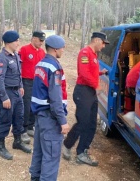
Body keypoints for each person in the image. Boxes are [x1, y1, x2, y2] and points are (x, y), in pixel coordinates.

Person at [62, 31, 109, 166]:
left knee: (92, 124)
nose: (104, 46)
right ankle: (67, 144)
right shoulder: (85, 52)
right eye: (103, 43)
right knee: (83, 122)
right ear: (96, 40)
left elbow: (91, 71)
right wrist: (97, 85)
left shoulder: (94, 54)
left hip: (91, 92)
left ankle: (82, 151)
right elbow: (84, 73)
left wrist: (101, 73)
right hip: (83, 91)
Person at [29, 35, 70, 181]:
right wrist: (62, 121)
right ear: (55, 49)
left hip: (40, 116)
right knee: (51, 158)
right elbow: (55, 98)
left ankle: (34, 178)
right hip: (50, 119)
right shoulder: (54, 68)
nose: (63, 50)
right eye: (62, 48)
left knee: (39, 153)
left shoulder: (41, 64)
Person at [0, 30, 32, 160]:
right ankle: (0, 146)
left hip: (16, 92)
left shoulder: (15, 55)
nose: (18, 43)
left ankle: (17, 141)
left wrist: (20, 86)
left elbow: (18, 73)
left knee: (18, 117)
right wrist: (4, 97)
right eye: (16, 41)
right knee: (5, 119)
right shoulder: (1, 58)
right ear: (9, 42)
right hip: (7, 92)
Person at [18, 31, 46, 144]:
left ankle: (30, 126)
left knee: (35, 104)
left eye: (43, 41)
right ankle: (23, 130)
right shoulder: (24, 50)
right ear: (34, 38)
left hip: (38, 82)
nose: (41, 43)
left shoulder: (42, 52)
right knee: (26, 105)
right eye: (40, 40)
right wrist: (19, 83)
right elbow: (18, 66)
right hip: (26, 81)